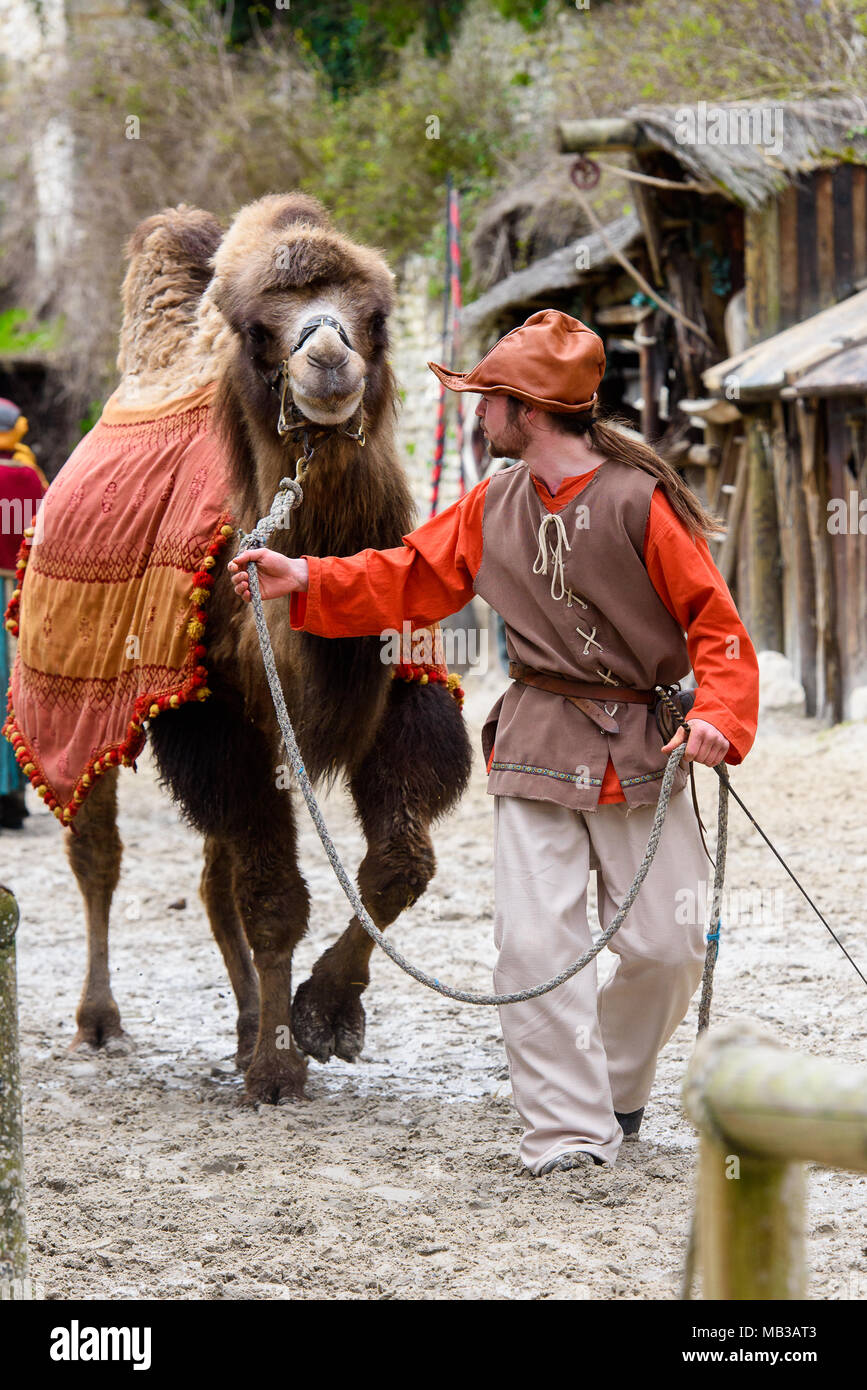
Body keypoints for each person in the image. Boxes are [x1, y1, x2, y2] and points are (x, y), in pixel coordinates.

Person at [229, 309, 759, 1176]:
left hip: (644, 748)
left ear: (525, 409)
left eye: (485, 400)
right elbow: (409, 575)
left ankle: (617, 1094)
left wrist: (719, 716)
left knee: (668, 945)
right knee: (533, 951)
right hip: (536, 741)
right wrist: (305, 577)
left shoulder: (641, 502)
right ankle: (567, 1132)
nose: (475, 414)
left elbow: (717, 628)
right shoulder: (491, 503)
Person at [0, 396, 47, 829]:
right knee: (11, 690)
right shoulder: (29, 475)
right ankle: (12, 793)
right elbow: (45, 533)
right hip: (20, 593)